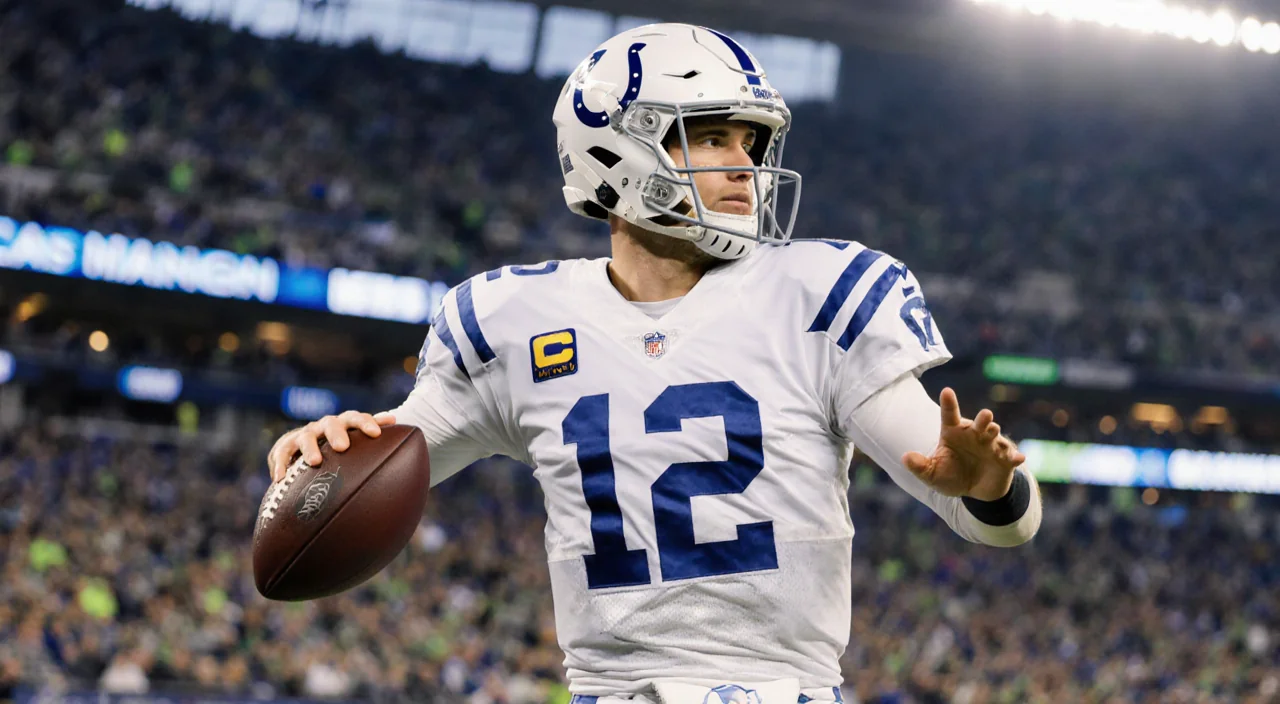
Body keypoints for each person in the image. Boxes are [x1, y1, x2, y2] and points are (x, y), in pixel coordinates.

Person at [266, 23, 1041, 704]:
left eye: (750, 142)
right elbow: (385, 461)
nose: (743, 165)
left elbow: (1005, 522)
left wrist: (987, 485)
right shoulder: (510, 321)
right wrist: (328, 451)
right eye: (711, 137)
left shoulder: (819, 295)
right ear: (616, 146)